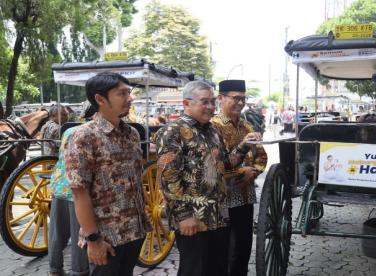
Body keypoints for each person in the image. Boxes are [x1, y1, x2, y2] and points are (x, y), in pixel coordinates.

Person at [154, 80, 261, 276]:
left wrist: (244, 145)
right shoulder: (172, 132)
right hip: (193, 220)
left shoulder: (212, 131)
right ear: (187, 103)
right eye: (204, 102)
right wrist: (183, 216)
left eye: (212, 101)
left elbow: (225, 164)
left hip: (219, 216)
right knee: (195, 270)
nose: (211, 107)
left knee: (218, 268)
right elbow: (168, 179)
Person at [64, 72, 152, 276]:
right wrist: (93, 240)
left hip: (134, 232)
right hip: (107, 238)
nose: (130, 98)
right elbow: (79, 192)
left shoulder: (131, 134)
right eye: (122, 93)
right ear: (100, 99)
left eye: (129, 92)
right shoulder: (84, 136)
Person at [212, 80, 268, 276]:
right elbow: (215, 164)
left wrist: (254, 171)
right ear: (221, 98)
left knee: (243, 247)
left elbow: (261, 155)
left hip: (245, 195)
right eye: (236, 98)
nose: (240, 103)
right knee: (224, 249)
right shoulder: (213, 126)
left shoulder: (246, 125)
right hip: (222, 197)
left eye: (243, 99)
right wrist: (239, 173)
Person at [48, 103, 96, 276]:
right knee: (79, 235)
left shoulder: (68, 131)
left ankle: (54, 269)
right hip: (78, 190)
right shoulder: (92, 133)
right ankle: (79, 271)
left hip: (59, 185)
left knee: (56, 234)